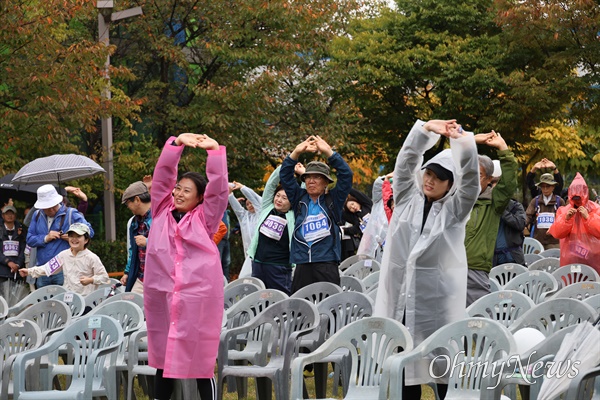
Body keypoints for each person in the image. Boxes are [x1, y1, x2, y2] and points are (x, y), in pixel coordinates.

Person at [374, 119, 480, 399]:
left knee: (441, 364)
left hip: (437, 303)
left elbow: (471, 180)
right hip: (402, 296)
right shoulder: (407, 198)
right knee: (405, 367)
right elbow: (406, 162)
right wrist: (425, 130)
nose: (430, 180)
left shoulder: (456, 211)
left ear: (450, 183)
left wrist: (463, 143)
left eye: (440, 177)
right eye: (429, 173)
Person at [144, 133, 227, 400]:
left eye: (186, 190)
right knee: (163, 358)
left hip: (196, 299)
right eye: (178, 188)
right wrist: (176, 144)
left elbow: (219, 190)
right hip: (164, 295)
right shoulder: (160, 210)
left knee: (201, 360)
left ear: (200, 198)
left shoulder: (205, 219)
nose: (178, 193)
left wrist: (214, 153)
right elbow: (162, 177)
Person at [279, 135, 353, 292]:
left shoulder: (333, 200)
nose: (311, 181)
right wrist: (296, 153)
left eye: (317, 177)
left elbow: (346, 175)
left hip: (327, 263)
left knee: (329, 307)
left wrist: (328, 152)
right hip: (302, 262)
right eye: (308, 177)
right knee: (300, 309)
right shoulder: (298, 198)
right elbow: (285, 176)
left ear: (326, 182)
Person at [465, 131, 518, 306]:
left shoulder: (493, 201)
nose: (472, 179)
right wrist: (469, 140)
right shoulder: (455, 198)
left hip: (475, 270)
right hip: (447, 269)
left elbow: (509, 183)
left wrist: (503, 149)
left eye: (478, 175)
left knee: (478, 322)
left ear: (488, 179)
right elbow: (444, 166)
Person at [26, 184, 94, 288]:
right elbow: (29, 239)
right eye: (47, 208)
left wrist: (73, 238)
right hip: (43, 269)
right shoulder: (37, 215)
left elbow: (90, 233)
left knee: (65, 302)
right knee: (44, 303)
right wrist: (45, 238)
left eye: (53, 206)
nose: (51, 210)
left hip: (64, 269)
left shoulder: (71, 213)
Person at [19, 223, 109, 296]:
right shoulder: (63, 255)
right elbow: (48, 268)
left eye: (78, 236)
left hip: (87, 301)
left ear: (86, 240)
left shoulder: (92, 257)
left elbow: (104, 277)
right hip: (68, 299)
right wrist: (29, 271)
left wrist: (91, 280)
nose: (74, 239)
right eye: (71, 236)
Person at [247, 166, 295, 295]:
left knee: (281, 299)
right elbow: (271, 183)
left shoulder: (294, 215)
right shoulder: (267, 208)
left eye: (284, 198)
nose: (279, 200)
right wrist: (286, 165)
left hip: (279, 266)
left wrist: (302, 174)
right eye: (278, 196)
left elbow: (303, 194)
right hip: (258, 263)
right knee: (259, 297)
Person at [548, 173, 600, 272]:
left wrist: (588, 218)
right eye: (574, 198)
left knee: (593, 285)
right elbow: (557, 233)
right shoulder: (563, 210)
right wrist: (566, 219)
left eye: (579, 198)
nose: (577, 201)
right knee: (571, 285)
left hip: (593, 261)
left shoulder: (596, 209)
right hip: (570, 262)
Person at [120, 181, 152, 294]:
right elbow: (133, 250)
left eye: (128, 203)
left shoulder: (161, 217)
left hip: (158, 279)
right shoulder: (134, 222)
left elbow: (171, 243)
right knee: (130, 307)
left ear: (137, 200)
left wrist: (148, 242)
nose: (128, 207)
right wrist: (128, 272)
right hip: (140, 277)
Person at [228, 181, 262, 278]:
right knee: (245, 278)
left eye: (251, 203)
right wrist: (230, 195)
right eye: (247, 204)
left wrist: (243, 187)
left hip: (261, 253)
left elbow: (256, 200)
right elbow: (237, 209)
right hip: (249, 255)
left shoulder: (261, 214)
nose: (250, 205)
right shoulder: (245, 217)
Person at [491, 175, 526, 266]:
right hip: (494, 260)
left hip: (514, 258)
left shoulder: (515, 206)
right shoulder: (487, 208)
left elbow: (520, 224)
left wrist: (501, 210)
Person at [525, 173, 565, 250]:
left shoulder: (559, 201)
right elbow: (528, 216)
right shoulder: (535, 201)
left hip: (555, 242)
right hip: (538, 242)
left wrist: (554, 229)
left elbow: (563, 220)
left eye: (548, 186)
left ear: (553, 187)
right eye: (543, 187)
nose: (545, 189)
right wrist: (522, 224)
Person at [0, 205, 28, 306]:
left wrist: (18, 264)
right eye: (7, 213)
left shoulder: (22, 231)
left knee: (16, 301)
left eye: (12, 213)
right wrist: (8, 262)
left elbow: (24, 249)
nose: (10, 216)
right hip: (2, 272)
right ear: (3, 215)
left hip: (17, 272)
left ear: (15, 215)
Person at [340, 188, 373, 261]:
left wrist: (347, 188)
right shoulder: (355, 218)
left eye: (352, 204)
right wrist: (343, 230)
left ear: (356, 201)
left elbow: (359, 195)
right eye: (350, 208)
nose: (353, 207)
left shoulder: (367, 206)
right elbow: (355, 229)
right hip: (368, 243)